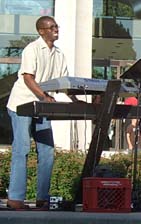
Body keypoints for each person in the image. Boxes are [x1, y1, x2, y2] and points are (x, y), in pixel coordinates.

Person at [6, 16, 69, 210]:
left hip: (41, 106)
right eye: (51, 27)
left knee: (47, 152)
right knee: (22, 149)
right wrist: (44, 97)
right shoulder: (32, 49)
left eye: (56, 26)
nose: (55, 29)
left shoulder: (59, 54)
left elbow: (64, 82)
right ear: (41, 31)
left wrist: (78, 99)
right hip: (22, 104)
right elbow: (27, 78)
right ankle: (15, 198)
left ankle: (43, 198)